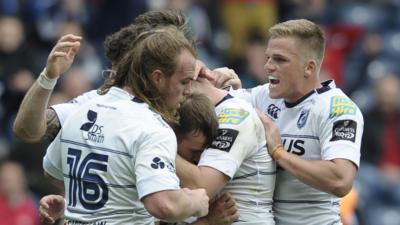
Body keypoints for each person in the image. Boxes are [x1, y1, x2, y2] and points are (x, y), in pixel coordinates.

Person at [42, 26, 209, 224]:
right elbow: (164, 205)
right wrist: (195, 201)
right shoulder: (152, 128)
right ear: (157, 77)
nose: (188, 90)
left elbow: (51, 170)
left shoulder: (82, 109)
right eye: (184, 82)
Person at [227, 19, 364, 225]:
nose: (268, 66)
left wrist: (280, 153)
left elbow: (341, 180)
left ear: (308, 68)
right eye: (268, 58)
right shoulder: (263, 95)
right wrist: (211, 77)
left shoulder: (338, 109)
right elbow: (217, 100)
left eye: (280, 60)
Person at [40, 93, 238, 225]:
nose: (198, 160)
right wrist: (208, 222)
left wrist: (69, 206)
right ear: (171, 134)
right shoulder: (147, 160)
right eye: (193, 151)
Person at [12, 9, 197, 144]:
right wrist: (48, 77)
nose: (188, 89)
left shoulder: (199, 97)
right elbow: (27, 130)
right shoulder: (92, 107)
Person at [176, 77, 276, 224]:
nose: (198, 159)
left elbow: (201, 187)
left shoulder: (235, 113)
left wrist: (160, 146)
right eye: (194, 151)